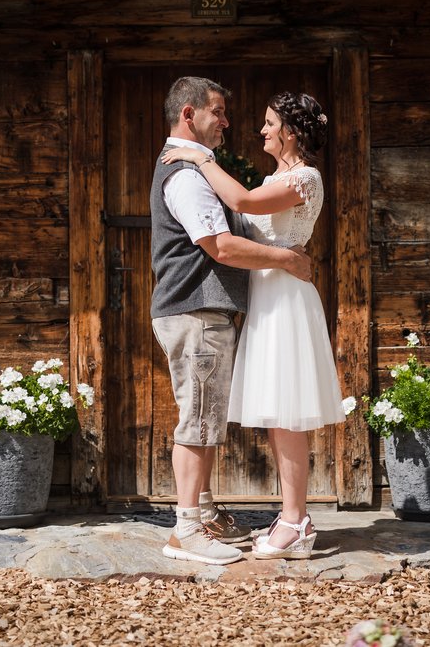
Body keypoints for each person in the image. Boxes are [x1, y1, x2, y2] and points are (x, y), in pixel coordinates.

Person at [162, 91, 345, 560]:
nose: (260, 130)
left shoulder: (305, 178)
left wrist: (198, 159)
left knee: (288, 414)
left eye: (268, 123)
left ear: (290, 131)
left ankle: (295, 520)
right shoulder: (276, 177)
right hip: (266, 298)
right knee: (278, 414)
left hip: (285, 300)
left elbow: (241, 200)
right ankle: (291, 516)